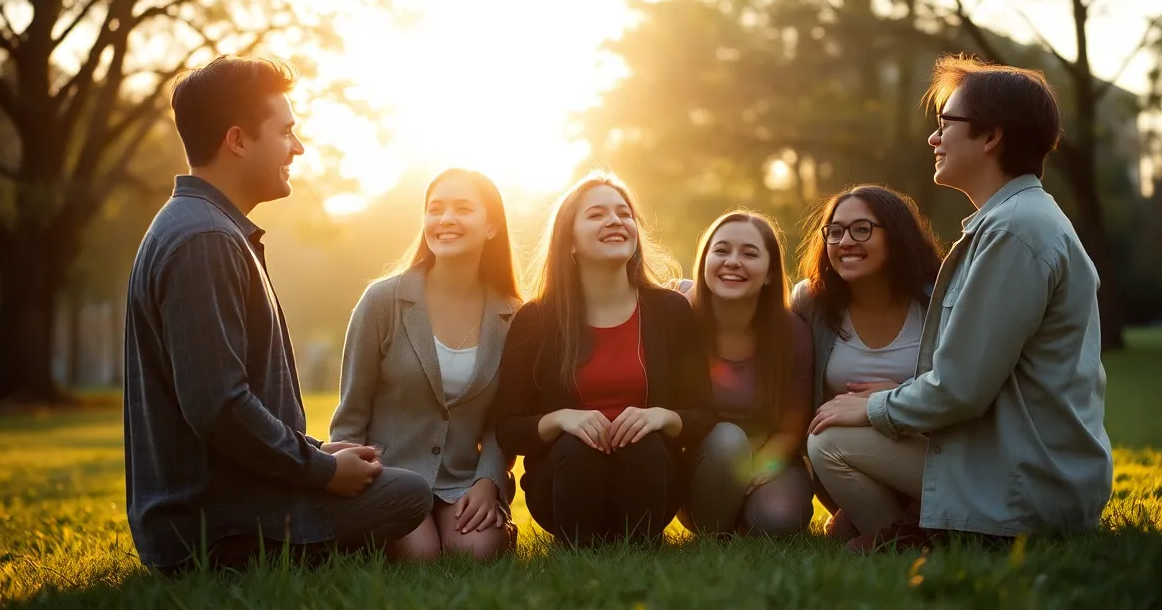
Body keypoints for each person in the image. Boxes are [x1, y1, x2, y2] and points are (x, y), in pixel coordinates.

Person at [123, 56, 432, 573]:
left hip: (226, 502)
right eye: (286, 131)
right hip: (211, 528)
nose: (298, 146)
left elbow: (227, 397)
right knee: (409, 494)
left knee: (383, 477)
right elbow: (217, 406)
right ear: (238, 140)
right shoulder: (204, 240)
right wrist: (321, 471)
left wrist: (315, 451)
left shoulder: (208, 228)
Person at [815, 55, 1113, 552]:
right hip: (1017, 460)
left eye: (945, 124)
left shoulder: (1016, 231)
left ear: (991, 136)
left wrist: (872, 406)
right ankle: (920, 519)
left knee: (829, 441)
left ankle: (938, 536)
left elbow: (959, 391)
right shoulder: (1015, 220)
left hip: (1027, 485)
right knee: (842, 435)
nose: (933, 139)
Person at [492, 172, 714, 547]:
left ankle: (640, 543)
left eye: (624, 213)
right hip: (563, 479)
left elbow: (704, 414)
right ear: (570, 242)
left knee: (642, 443)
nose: (615, 220)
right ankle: (580, 544)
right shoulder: (535, 320)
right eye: (596, 214)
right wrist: (562, 419)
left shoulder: (671, 310)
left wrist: (660, 416)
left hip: (651, 476)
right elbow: (508, 428)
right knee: (578, 447)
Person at [331, 168, 521, 562]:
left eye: (463, 209)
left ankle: (489, 522)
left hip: (462, 478)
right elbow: (351, 412)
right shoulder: (382, 301)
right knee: (419, 556)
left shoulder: (514, 317)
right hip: (389, 474)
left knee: (475, 552)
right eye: (435, 209)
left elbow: (504, 420)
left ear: (491, 227)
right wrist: (353, 485)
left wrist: (489, 480)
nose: (445, 219)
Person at [793, 185, 942, 545]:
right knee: (824, 436)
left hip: (938, 454)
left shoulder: (939, 299)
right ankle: (902, 535)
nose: (845, 241)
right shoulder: (811, 302)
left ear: (897, 235)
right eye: (835, 231)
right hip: (857, 461)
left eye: (862, 229)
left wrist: (893, 397)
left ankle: (908, 531)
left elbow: (965, 388)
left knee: (829, 439)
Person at [674, 211, 814, 538]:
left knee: (778, 521)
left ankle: (752, 517)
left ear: (768, 273)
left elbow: (792, 426)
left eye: (749, 253)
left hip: (770, 456)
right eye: (721, 251)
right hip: (707, 464)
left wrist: (760, 465)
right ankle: (715, 530)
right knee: (727, 440)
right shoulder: (679, 317)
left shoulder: (792, 331)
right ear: (705, 261)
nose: (733, 261)